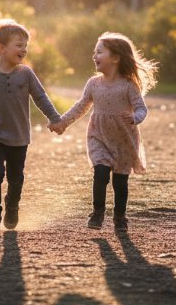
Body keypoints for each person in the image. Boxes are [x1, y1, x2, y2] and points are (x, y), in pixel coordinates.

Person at [50, 32, 158, 230]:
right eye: (94, 52)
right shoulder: (93, 83)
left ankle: (119, 216)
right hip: (99, 136)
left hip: (124, 138)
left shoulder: (128, 85)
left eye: (99, 52)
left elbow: (141, 108)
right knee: (100, 172)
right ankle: (98, 212)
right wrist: (63, 122)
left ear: (115, 58)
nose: (94, 56)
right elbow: (81, 106)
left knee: (120, 182)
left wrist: (136, 118)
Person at [0, 19, 62, 232]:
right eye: (19, 45)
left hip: (19, 137)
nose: (24, 49)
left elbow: (41, 97)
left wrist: (55, 118)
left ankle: (12, 206)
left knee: (16, 179)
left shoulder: (26, 74)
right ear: (1, 48)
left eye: (25, 45)